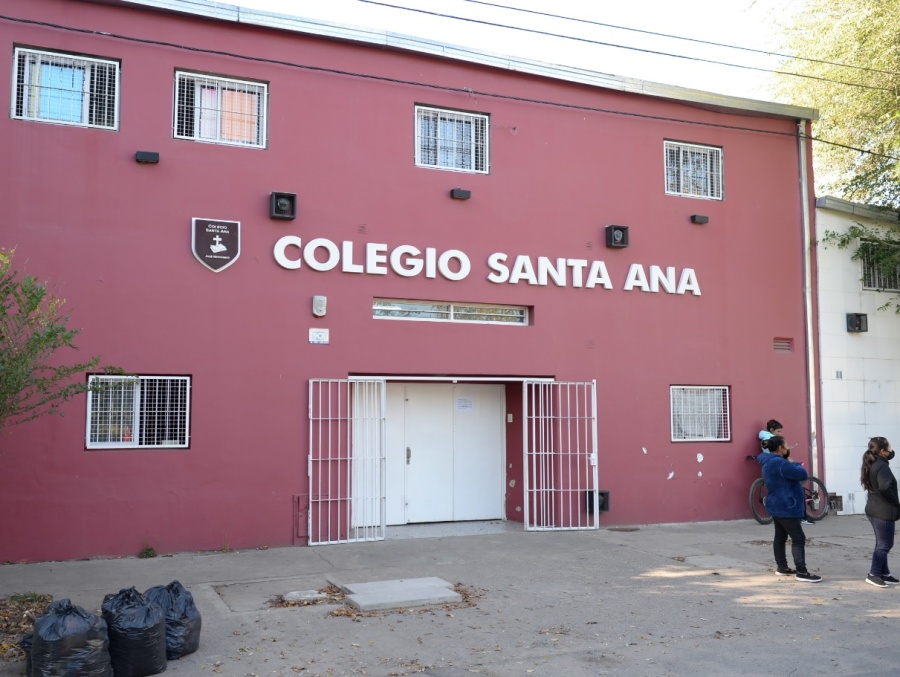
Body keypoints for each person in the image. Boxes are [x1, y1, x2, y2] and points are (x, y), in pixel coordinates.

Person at [758, 435, 822, 582]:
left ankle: (782, 567)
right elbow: (802, 474)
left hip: (776, 505)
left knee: (780, 536)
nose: (789, 448)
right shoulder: (781, 463)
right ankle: (802, 572)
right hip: (787, 506)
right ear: (780, 448)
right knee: (798, 537)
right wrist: (795, 464)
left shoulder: (768, 462)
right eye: (787, 445)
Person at [861, 437, 900, 588]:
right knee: (885, 544)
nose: (891, 450)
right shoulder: (882, 466)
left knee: (881, 543)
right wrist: (896, 503)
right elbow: (884, 488)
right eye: (889, 448)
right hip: (882, 512)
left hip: (874, 510)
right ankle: (874, 574)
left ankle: (884, 573)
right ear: (883, 451)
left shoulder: (873, 462)